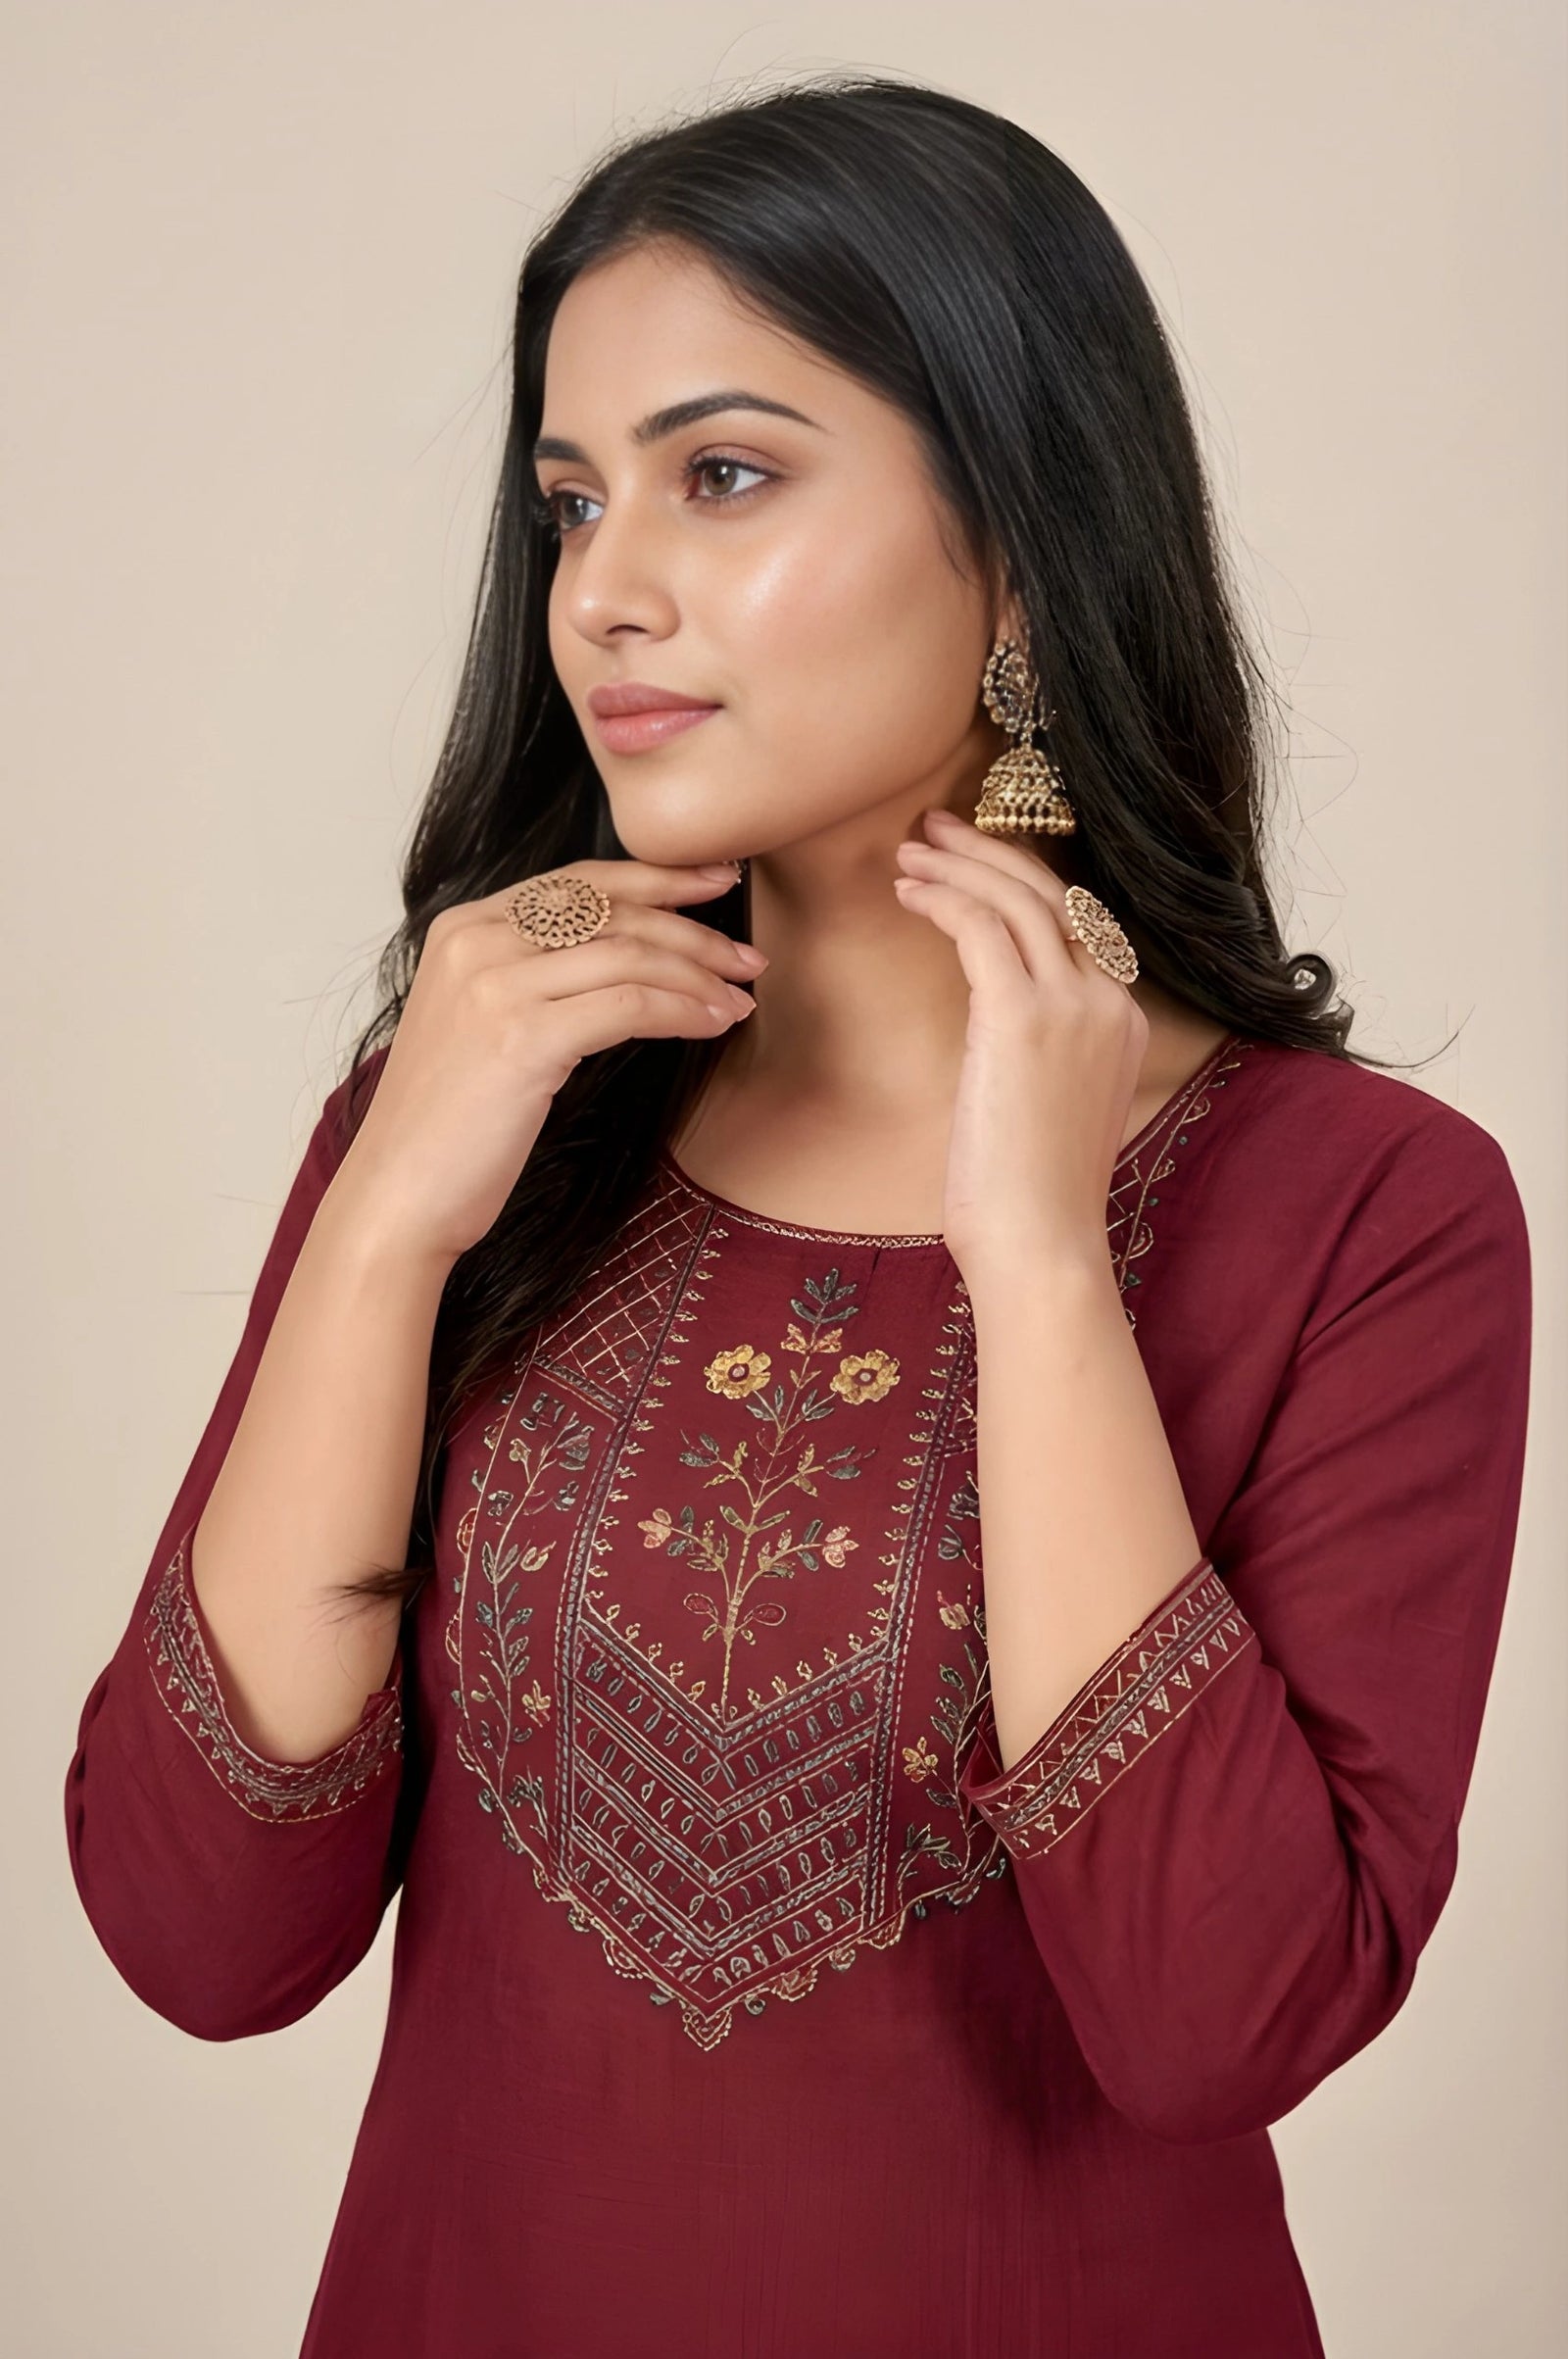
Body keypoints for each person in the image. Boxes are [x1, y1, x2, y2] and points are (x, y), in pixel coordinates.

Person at [63, 74, 1533, 2359]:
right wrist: (374, 1237)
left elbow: (1211, 2020)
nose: (605, 589)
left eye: (720, 475)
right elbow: (198, 1932)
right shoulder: (474, 1126)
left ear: (1021, 544)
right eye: (569, 502)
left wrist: (1041, 1266)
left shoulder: (1358, 1212)